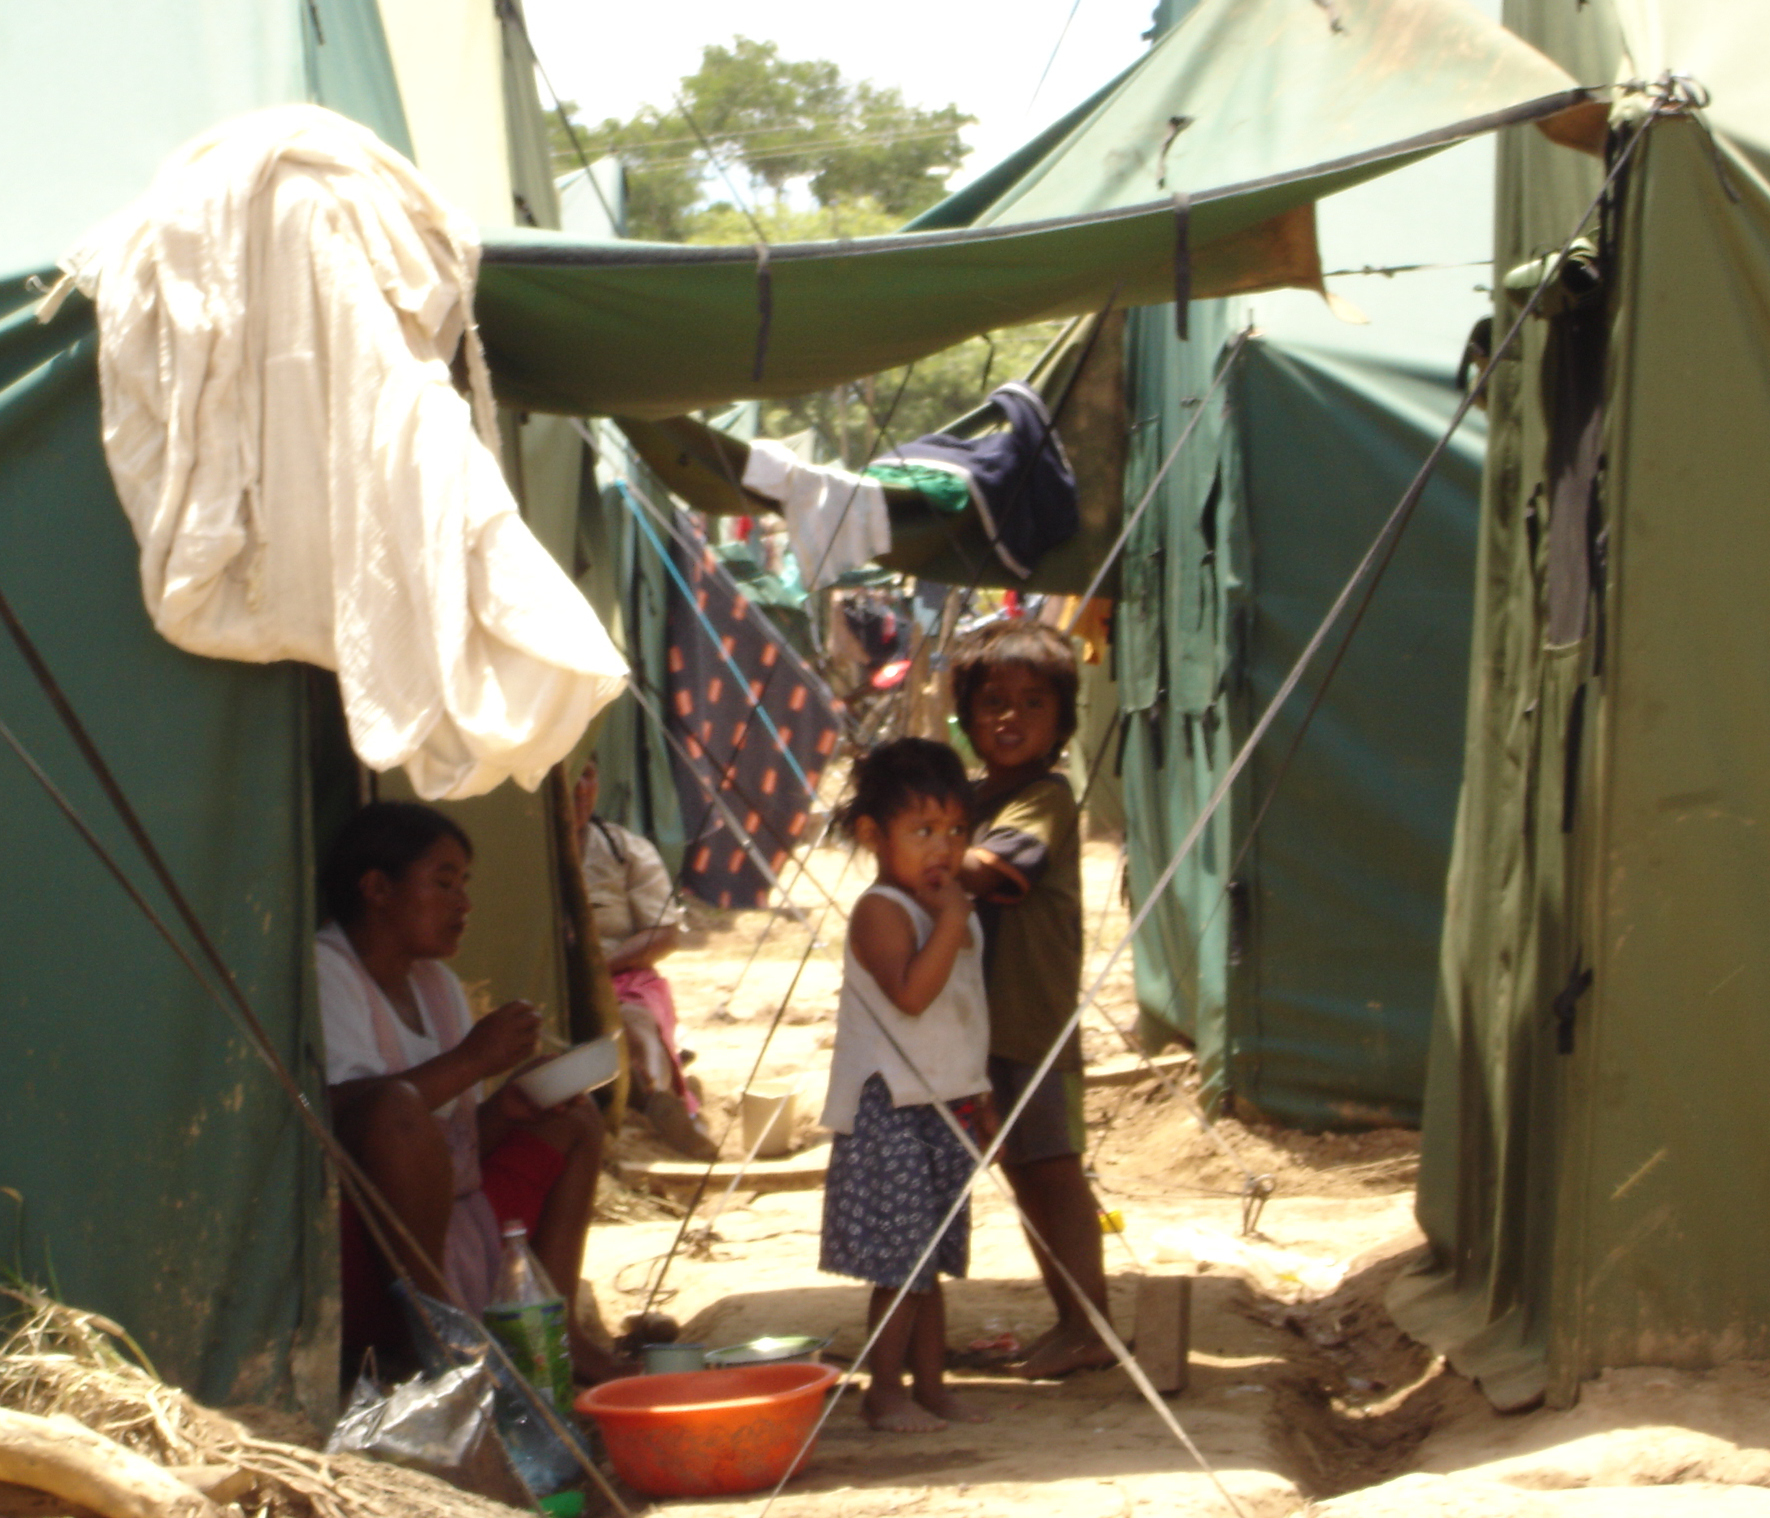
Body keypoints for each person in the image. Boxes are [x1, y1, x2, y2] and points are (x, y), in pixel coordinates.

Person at [316, 801, 624, 1381]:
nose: (464, 904)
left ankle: (553, 1333)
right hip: (369, 1235)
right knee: (395, 1108)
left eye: (465, 885)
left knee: (574, 1121)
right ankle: (439, 1340)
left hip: (452, 1211)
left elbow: (450, 1150)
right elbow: (353, 1121)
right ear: (377, 888)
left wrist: (507, 1109)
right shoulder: (328, 970)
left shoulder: (438, 985)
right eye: (443, 883)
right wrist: (471, 1059)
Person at [952, 620, 1115, 1379]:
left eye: (1031, 703)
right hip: (988, 1028)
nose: (1009, 718)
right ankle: (1071, 1321)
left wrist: (921, 846)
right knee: (1023, 1170)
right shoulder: (980, 797)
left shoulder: (1043, 799)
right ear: (966, 715)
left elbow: (982, 871)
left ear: (1062, 723)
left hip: (1034, 1026)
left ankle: (1092, 1325)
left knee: (1055, 1169)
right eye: (992, 702)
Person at [819, 738, 995, 1432]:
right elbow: (913, 996)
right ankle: (883, 1389)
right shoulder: (882, 911)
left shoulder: (945, 909)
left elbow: (961, 1017)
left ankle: (932, 1384)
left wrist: (982, 1098)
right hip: (889, 1104)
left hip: (945, 1103)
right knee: (902, 1260)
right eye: (922, 832)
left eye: (956, 832)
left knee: (934, 1255)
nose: (943, 850)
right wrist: (953, 920)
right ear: (873, 836)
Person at [572, 758, 717, 1161]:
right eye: (571, 778)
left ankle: (658, 1099)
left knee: (635, 1021)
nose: (580, 789)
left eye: (589, 775)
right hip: (554, 982)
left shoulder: (626, 851)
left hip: (620, 976)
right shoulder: (526, 856)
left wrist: (602, 967)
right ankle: (647, 1096)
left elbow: (664, 933)